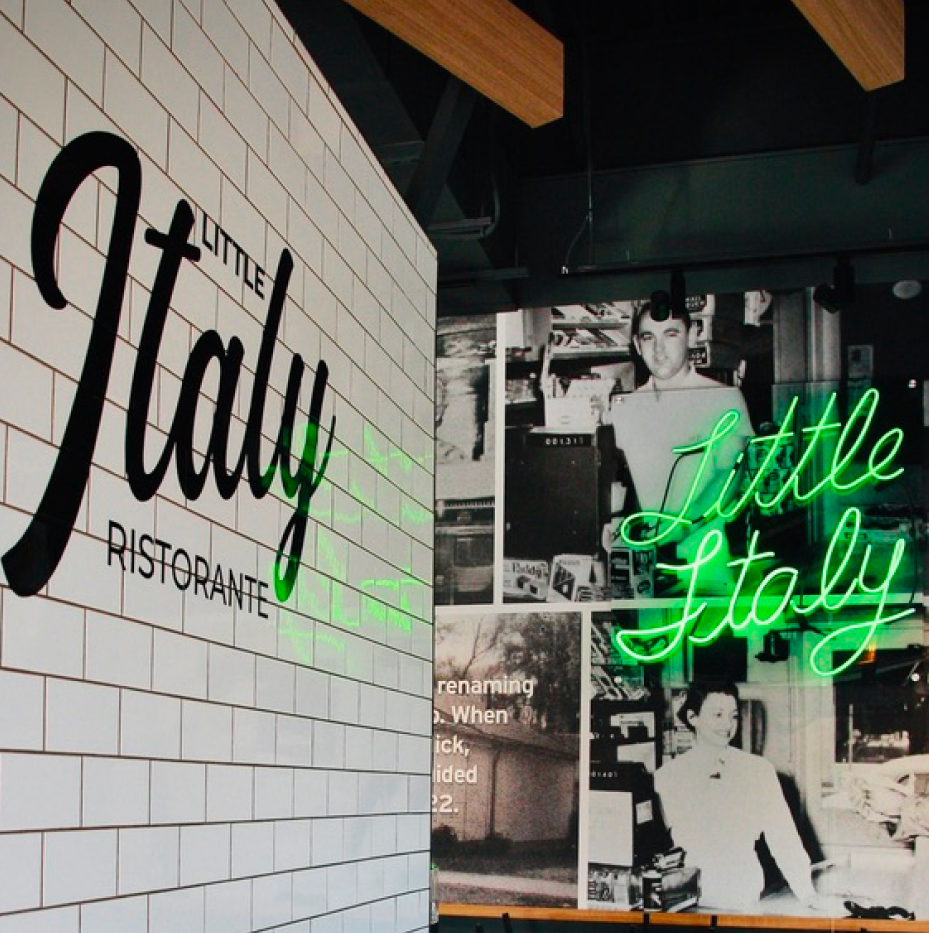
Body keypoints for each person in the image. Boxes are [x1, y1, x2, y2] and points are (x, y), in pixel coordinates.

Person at [607, 295, 754, 589]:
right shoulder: (626, 407)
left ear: (693, 335)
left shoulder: (723, 399)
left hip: (706, 562)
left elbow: (729, 479)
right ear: (637, 344)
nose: (659, 349)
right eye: (648, 338)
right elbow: (628, 486)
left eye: (670, 334)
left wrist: (680, 528)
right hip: (645, 565)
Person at [655, 682, 819, 911]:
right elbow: (659, 846)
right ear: (693, 717)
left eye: (733, 716)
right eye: (718, 714)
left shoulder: (757, 770)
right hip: (685, 899)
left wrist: (807, 894)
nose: (727, 724)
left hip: (742, 894)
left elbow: (783, 838)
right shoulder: (667, 776)